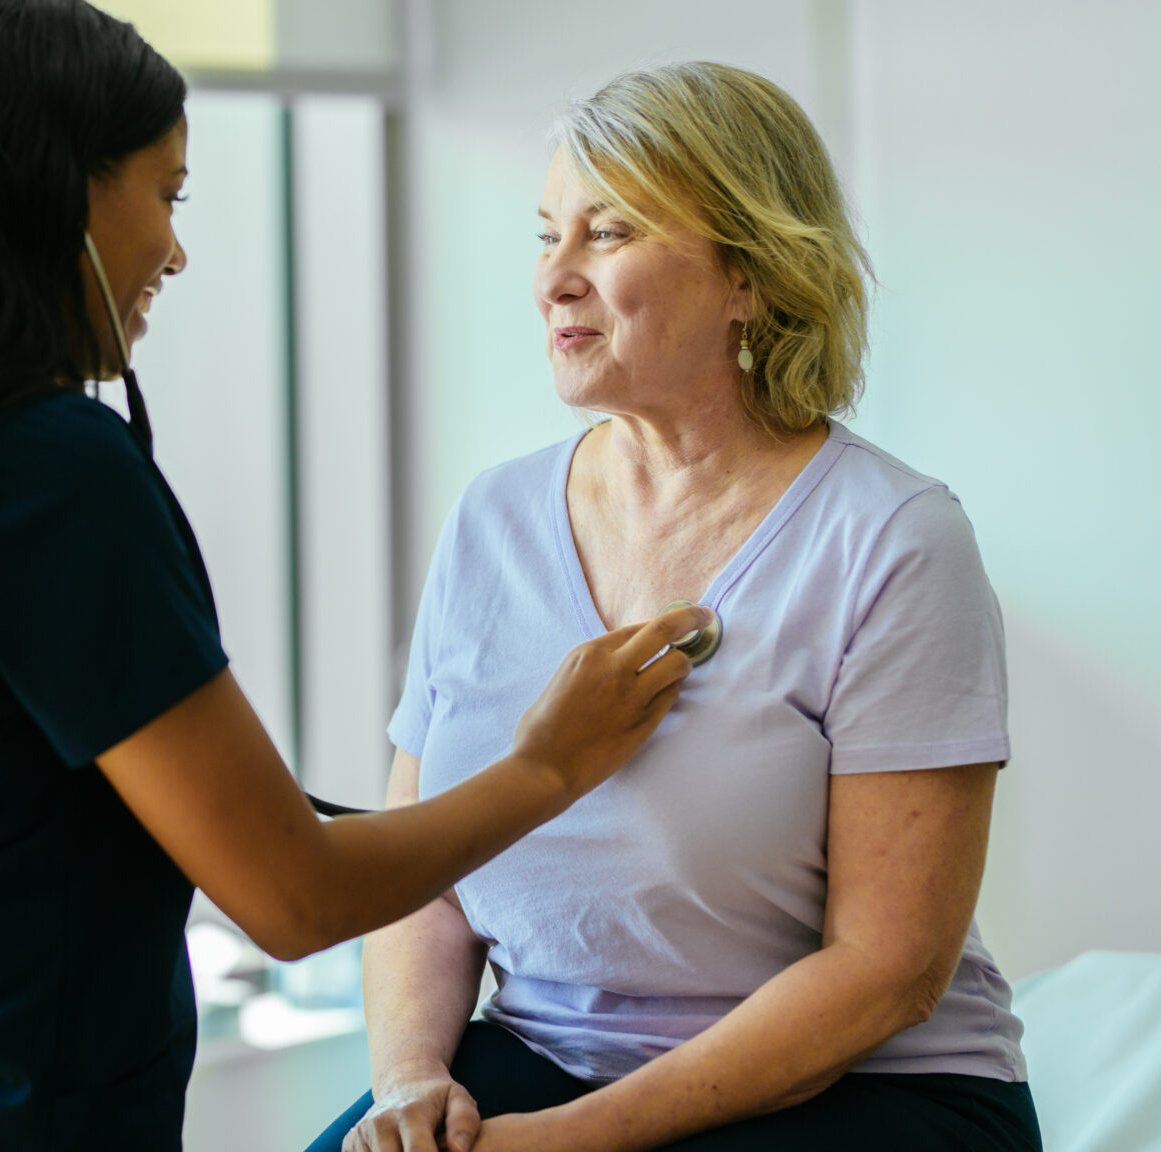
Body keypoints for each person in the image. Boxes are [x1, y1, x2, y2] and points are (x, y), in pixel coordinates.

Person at [0, 0, 709, 1151]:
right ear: (52, 193)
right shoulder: (45, 467)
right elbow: (293, 894)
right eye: (166, 192)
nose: (177, 247)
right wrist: (550, 764)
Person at [312, 62, 1040, 1152]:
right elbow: (429, 881)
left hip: (869, 1086)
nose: (554, 279)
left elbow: (888, 971)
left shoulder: (895, 540)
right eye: (546, 234)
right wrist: (409, 1079)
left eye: (607, 234)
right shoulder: (490, 518)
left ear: (749, 273)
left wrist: (564, 1141)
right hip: (548, 1049)